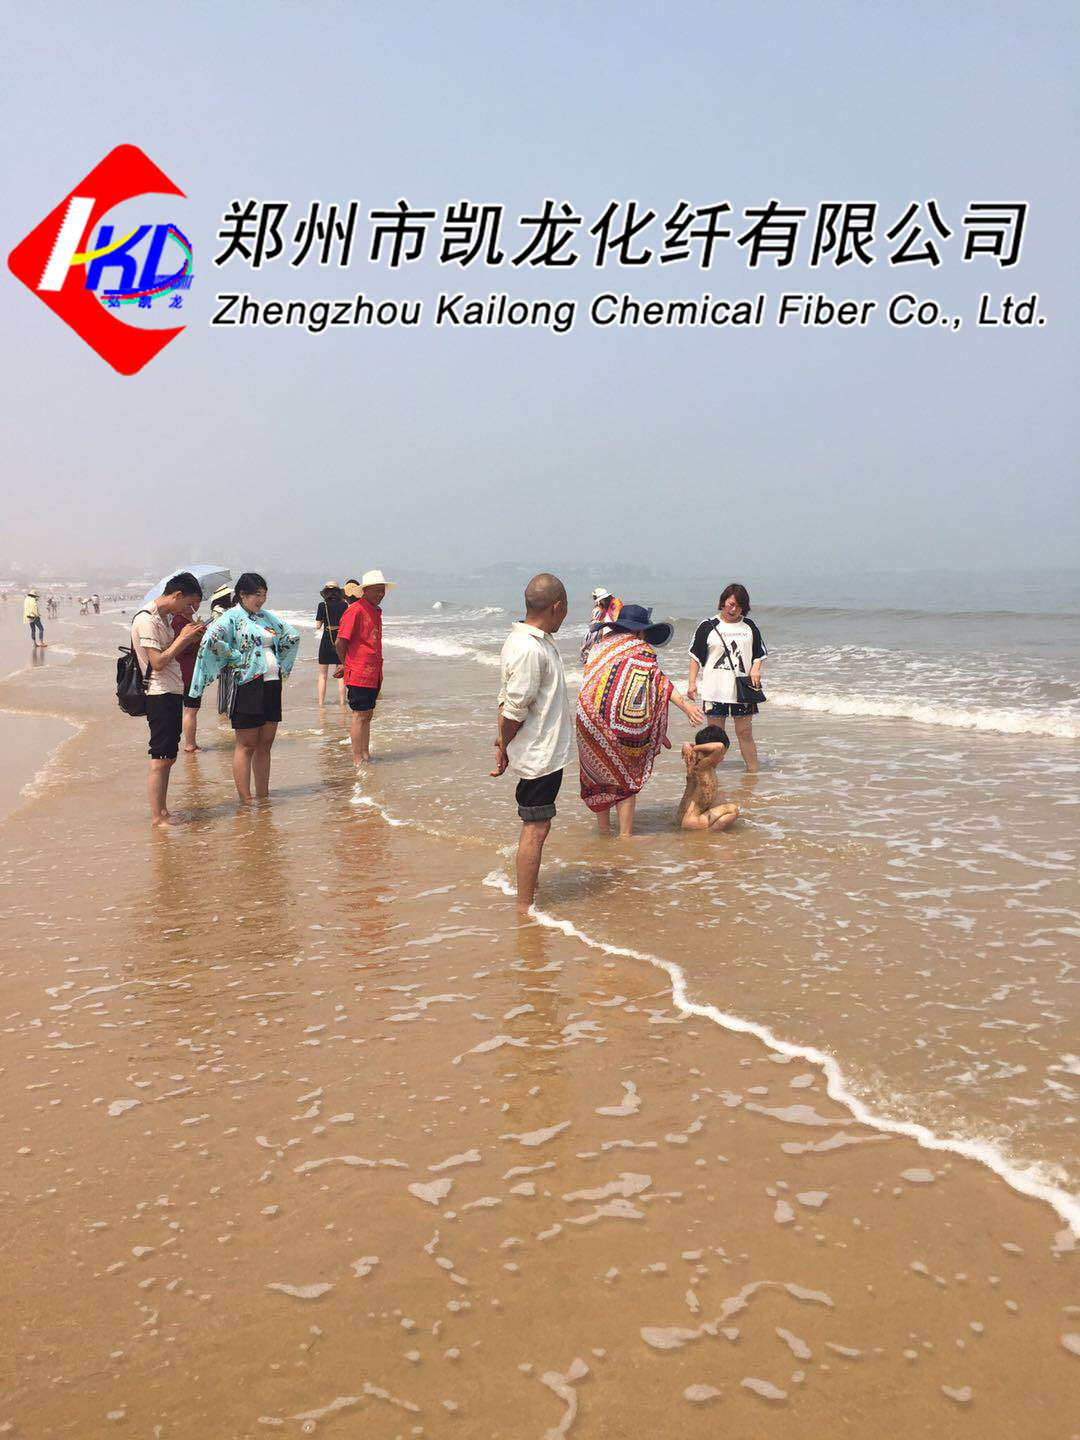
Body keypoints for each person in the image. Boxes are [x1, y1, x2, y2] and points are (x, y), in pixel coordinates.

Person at [577, 603, 704, 837]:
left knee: (598, 777)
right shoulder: (641, 650)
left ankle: (603, 832)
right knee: (625, 779)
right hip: (623, 726)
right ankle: (625, 836)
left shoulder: (600, 647)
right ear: (640, 631)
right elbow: (660, 684)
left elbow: (593, 684)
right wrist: (686, 707)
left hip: (587, 720)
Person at [492, 573, 574, 915]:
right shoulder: (529, 648)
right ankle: (524, 905)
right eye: (565, 609)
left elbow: (509, 701)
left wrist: (503, 742)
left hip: (541, 749)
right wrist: (503, 745)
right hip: (538, 752)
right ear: (557, 607)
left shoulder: (531, 640)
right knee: (536, 827)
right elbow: (514, 708)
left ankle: (531, 889)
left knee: (538, 824)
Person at [189, 573, 300, 804]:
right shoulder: (232, 617)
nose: (261, 600)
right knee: (247, 744)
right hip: (246, 684)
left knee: (265, 743)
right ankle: (246, 798)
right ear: (242, 594)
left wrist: (280, 664)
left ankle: (263, 794)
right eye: (257, 595)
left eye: (264, 595)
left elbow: (292, 635)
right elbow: (210, 640)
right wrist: (236, 657)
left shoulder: (265, 617)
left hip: (271, 684)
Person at [130, 573, 206, 826]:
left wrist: (189, 638)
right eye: (189, 604)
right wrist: (182, 638)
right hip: (158, 692)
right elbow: (158, 662)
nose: (189, 610)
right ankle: (158, 817)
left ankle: (163, 812)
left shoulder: (165, 618)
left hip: (171, 690)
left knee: (168, 757)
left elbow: (168, 653)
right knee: (160, 757)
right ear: (177, 595)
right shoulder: (147, 619)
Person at [687, 583, 767, 772]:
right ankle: (708, 774)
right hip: (714, 689)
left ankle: (753, 774)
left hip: (743, 690)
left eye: (739, 606)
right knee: (716, 738)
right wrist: (692, 682)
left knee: (744, 733)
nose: (734, 609)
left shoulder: (749, 626)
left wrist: (756, 669)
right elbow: (695, 656)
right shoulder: (707, 626)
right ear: (723, 602)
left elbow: (759, 653)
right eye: (731, 604)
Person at [335, 569, 395, 765]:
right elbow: (340, 641)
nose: (381, 594)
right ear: (365, 590)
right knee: (359, 714)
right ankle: (357, 758)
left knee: (368, 714)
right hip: (359, 670)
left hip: (374, 671)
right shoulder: (355, 610)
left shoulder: (375, 611)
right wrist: (345, 663)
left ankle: (366, 753)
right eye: (376, 590)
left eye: (382, 590)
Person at [676, 725, 740, 831]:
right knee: (733, 810)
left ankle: (701, 826)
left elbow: (716, 748)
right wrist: (695, 747)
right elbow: (719, 747)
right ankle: (708, 834)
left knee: (719, 799)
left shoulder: (693, 761)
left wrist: (688, 745)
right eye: (722, 755)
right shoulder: (703, 765)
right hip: (691, 820)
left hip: (682, 815)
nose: (722, 758)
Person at [171, 610, 202, 753]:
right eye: (192, 602)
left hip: (190, 670)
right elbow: (180, 647)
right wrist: (197, 637)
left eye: (197, 602)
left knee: (191, 709)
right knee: (191, 709)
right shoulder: (179, 622)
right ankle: (190, 745)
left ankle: (191, 743)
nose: (195, 606)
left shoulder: (186, 621)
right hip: (188, 672)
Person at [314, 582, 348, 706]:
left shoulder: (322, 605)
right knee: (341, 675)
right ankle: (343, 703)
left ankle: (321, 704)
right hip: (340, 641)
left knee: (322, 675)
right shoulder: (344, 605)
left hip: (326, 640)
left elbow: (318, 626)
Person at [580, 585, 622, 663]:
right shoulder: (604, 606)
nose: (597, 601)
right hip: (600, 628)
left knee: (591, 647)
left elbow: (614, 619)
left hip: (603, 629)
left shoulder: (614, 604)